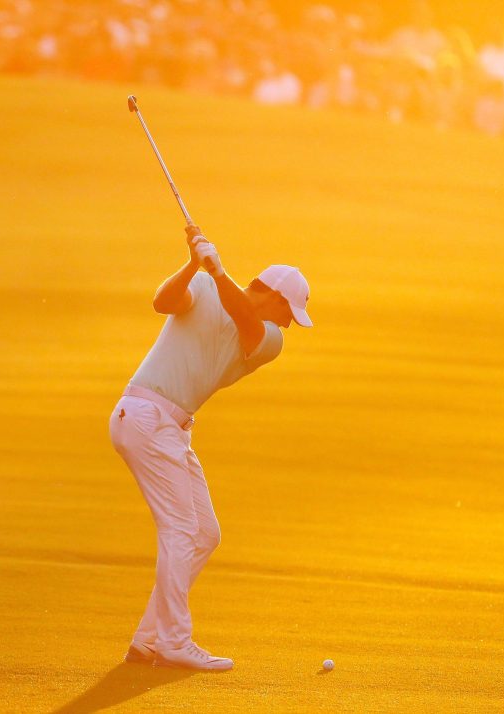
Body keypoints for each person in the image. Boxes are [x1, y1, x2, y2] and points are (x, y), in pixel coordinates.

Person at [109, 224, 312, 671]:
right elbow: (163, 302)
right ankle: (175, 643)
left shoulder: (269, 341)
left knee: (204, 534)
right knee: (181, 530)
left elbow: (243, 317)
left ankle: (148, 640)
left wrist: (217, 271)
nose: (288, 323)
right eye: (289, 312)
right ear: (273, 295)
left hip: (171, 429)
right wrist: (193, 264)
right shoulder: (204, 284)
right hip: (144, 416)